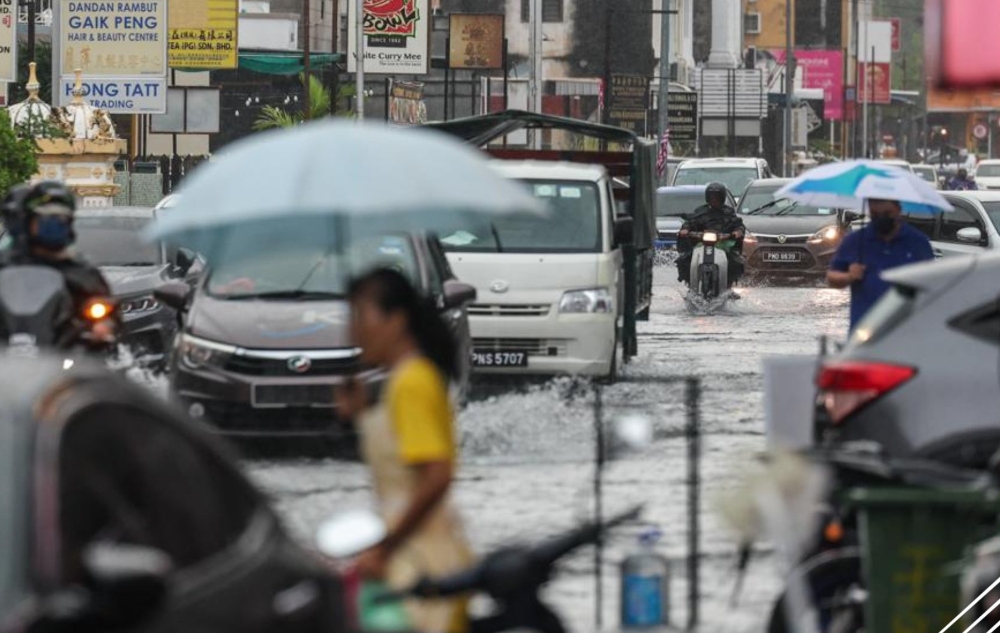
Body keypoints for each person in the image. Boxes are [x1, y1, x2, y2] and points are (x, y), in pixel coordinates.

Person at [335, 268, 473, 633]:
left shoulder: (412, 382)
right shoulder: (403, 381)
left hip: (422, 561)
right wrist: (359, 416)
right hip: (411, 556)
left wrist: (385, 547)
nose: (354, 330)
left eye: (361, 316)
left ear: (396, 321)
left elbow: (437, 474)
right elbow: (397, 461)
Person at [0, 181, 116, 342]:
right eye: (47, 217)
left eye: (62, 218)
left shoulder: (82, 272)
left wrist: (101, 327)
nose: (55, 223)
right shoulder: (6, 264)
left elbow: (108, 314)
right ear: (29, 221)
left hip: (63, 357)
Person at [827, 198, 934, 331]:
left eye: (887, 213)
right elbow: (832, 278)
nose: (881, 218)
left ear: (898, 210)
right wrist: (849, 276)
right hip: (864, 329)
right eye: (875, 214)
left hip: (906, 328)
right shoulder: (855, 241)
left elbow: (933, 283)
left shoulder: (917, 242)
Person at [675, 182, 747, 287]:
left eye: (717, 197)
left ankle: (728, 285)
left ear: (722, 197)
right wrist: (685, 230)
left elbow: (738, 224)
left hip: (723, 243)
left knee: (735, 262)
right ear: (707, 197)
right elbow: (690, 222)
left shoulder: (728, 212)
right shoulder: (701, 211)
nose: (714, 200)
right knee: (684, 260)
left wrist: (737, 232)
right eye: (712, 197)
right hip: (701, 243)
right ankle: (690, 284)